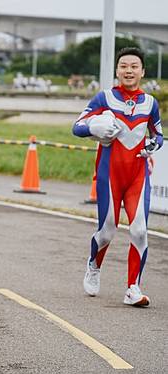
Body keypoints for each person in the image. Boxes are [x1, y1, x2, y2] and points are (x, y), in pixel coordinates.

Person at [73, 47, 163, 307]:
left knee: (140, 230)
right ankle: (93, 264)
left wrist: (152, 146)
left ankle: (133, 288)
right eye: (124, 66)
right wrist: (94, 126)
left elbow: (158, 135)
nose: (129, 70)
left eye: (134, 66)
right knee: (106, 233)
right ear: (117, 70)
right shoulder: (104, 98)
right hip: (109, 175)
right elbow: (76, 126)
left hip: (138, 175)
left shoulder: (150, 103)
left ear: (142, 72)